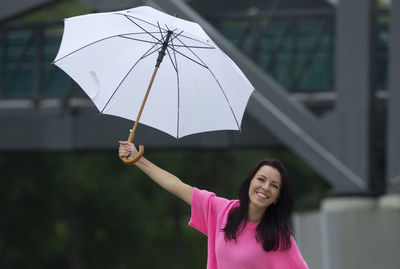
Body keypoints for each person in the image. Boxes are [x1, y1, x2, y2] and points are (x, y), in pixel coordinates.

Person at [119, 141, 309, 269]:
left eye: (274, 185)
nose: (265, 187)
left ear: (277, 196)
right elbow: (175, 185)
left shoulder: (279, 238)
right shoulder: (222, 210)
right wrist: (138, 159)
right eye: (261, 179)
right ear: (250, 181)